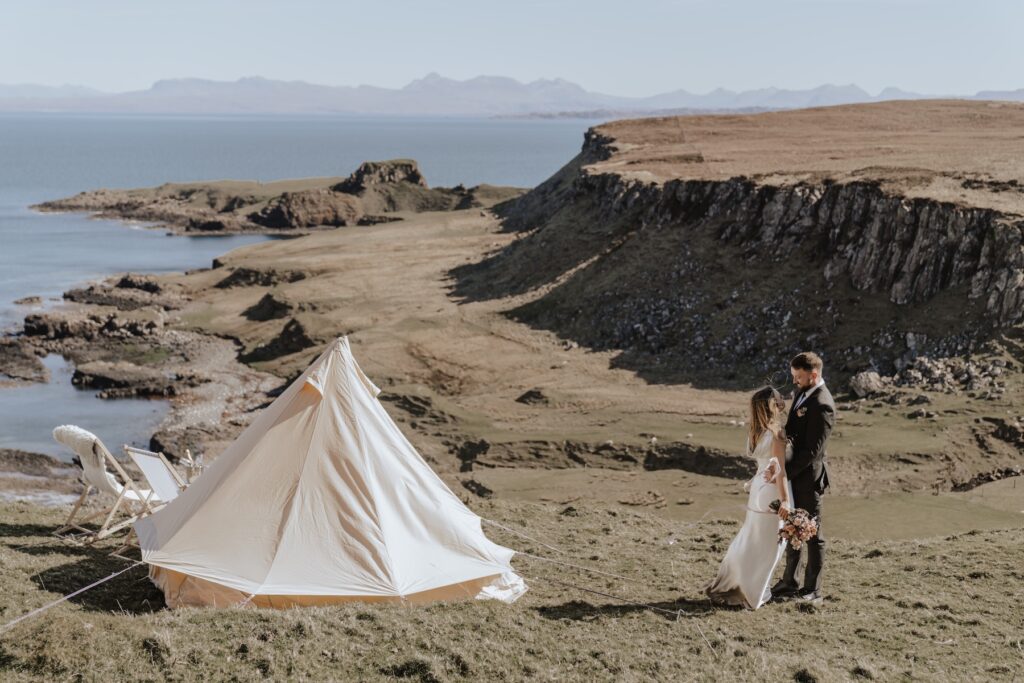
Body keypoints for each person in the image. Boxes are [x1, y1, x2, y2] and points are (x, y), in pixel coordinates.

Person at [705, 386, 791, 609]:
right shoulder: (777, 433)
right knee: (770, 544)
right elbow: (780, 470)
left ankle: (735, 580)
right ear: (773, 406)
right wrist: (785, 500)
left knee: (753, 536)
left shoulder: (755, 432)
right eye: (779, 401)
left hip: (758, 487)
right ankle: (755, 593)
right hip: (772, 489)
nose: (782, 403)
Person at [770, 351, 834, 605]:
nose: (794, 380)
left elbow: (812, 451)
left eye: (798, 376)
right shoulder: (802, 393)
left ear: (813, 375)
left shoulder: (823, 404)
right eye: (793, 375)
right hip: (794, 475)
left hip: (809, 478)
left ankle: (813, 590)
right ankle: (789, 582)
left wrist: (785, 472)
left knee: (813, 534)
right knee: (792, 528)